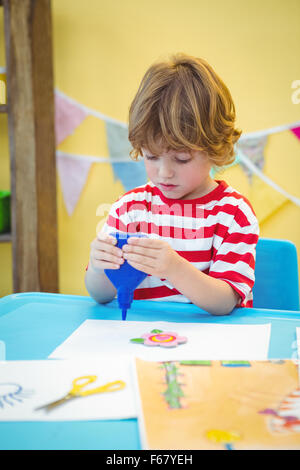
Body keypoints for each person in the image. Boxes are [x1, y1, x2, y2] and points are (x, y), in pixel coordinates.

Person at [85, 53, 259, 315]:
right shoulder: (130, 210)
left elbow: (224, 302)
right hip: (139, 344)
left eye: (181, 159)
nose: (164, 173)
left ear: (214, 149)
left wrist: (174, 268)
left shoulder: (233, 214)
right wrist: (98, 267)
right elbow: (100, 295)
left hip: (209, 345)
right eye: (151, 156)